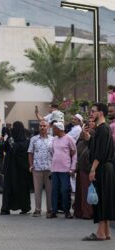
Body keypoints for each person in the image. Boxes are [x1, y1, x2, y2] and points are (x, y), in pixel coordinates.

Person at [82, 103, 115, 241]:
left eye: (93, 111)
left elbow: (99, 153)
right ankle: (106, 232)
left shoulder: (103, 129)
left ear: (100, 113)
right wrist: (87, 135)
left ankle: (100, 233)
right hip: (106, 168)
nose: (91, 114)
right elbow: (94, 146)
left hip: (101, 168)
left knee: (101, 199)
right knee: (104, 199)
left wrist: (93, 169)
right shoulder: (103, 129)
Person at [0, 121, 31, 215]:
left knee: (22, 188)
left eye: (14, 127)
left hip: (21, 169)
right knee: (8, 187)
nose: (12, 129)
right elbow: (3, 148)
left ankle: (24, 207)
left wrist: (10, 137)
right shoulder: (11, 139)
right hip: (10, 168)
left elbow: (15, 148)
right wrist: (4, 137)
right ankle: (6, 208)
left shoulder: (26, 141)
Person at [48, 122, 77, 219]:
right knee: (54, 190)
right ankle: (54, 211)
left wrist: (72, 167)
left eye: (54, 128)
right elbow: (52, 153)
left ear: (60, 129)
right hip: (55, 169)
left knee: (65, 190)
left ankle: (67, 211)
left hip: (65, 169)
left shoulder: (69, 138)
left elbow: (74, 153)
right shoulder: (54, 139)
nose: (53, 130)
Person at [28, 120, 53, 218]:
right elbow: (30, 152)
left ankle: (49, 210)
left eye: (44, 126)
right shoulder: (34, 139)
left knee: (49, 190)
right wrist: (31, 165)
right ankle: (37, 210)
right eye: (40, 126)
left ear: (48, 127)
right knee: (37, 190)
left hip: (49, 168)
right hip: (37, 168)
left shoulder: (53, 139)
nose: (42, 127)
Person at [73, 117, 95, 219]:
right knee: (82, 192)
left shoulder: (96, 135)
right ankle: (80, 211)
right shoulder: (81, 139)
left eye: (91, 122)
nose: (89, 125)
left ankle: (88, 212)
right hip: (82, 168)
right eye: (87, 123)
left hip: (90, 168)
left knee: (88, 191)